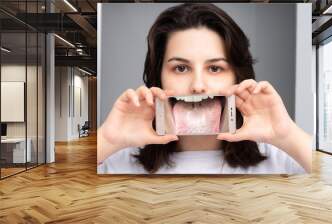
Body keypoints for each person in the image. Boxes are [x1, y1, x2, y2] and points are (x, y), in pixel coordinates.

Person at [97, 3, 312, 174]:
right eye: (181, 68)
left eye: (215, 68)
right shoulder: (116, 161)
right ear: (158, 78)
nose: (198, 86)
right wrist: (107, 142)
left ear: (237, 77)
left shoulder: (284, 159)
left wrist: (287, 136)